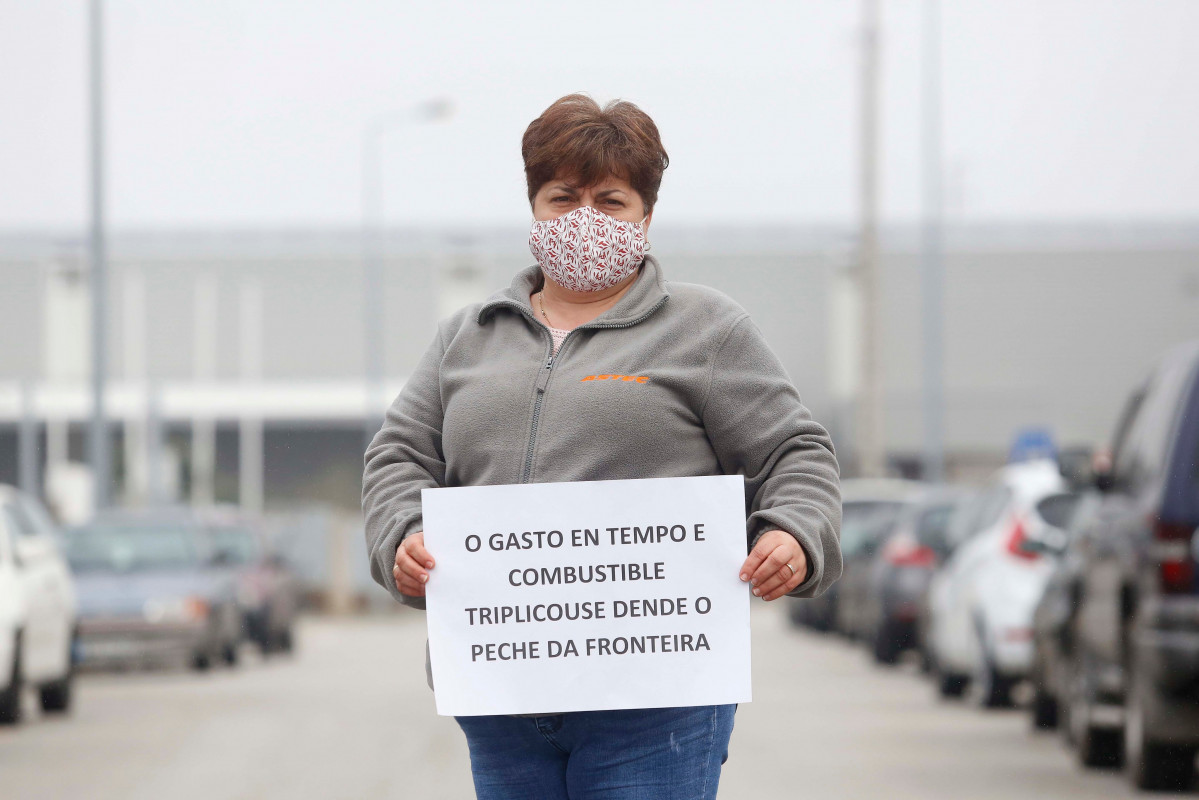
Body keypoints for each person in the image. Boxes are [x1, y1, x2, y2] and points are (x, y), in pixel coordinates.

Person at [362, 94, 842, 799]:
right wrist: (401, 536)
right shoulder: (466, 338)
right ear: (533, 208)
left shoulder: (706, 330)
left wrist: (795, 534)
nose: (583, 218)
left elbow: (795, 454)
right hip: (502, 693)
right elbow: (398, 456)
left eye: (610, 200)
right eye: (562, 196)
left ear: (646, 215)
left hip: (657, 703)